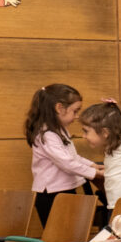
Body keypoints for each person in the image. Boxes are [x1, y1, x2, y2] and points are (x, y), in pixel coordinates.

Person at [26, 81, 97, 229]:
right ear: (59, 108)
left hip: (64, 191)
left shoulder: (60, 130)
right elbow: (66, 163)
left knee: (71, 233)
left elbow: (73, 157)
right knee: (59, 236)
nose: (76, 116)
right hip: (51, 195)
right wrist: (95, 173)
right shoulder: (47, 134)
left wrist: (93, 165)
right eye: (75, 111)